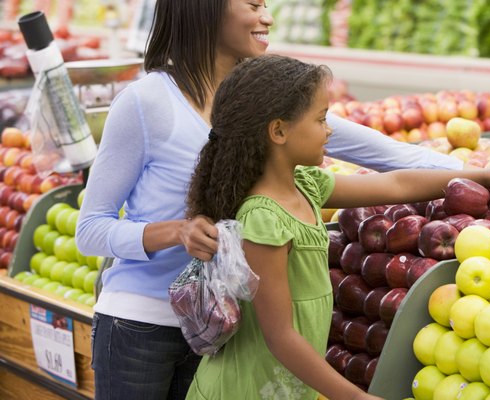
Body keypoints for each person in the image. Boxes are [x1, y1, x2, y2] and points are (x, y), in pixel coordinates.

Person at [75, 0, 465, 399]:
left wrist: (486, 175)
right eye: (253, 4)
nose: (268, 16)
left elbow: (394, 159)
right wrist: (176, 232)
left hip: (227, 334)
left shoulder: (265, 96)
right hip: (143, 327)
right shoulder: (146, 103)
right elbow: (90, 229)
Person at [182, 54, 490, 400]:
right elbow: (280, 337)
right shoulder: (263, 220)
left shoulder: (306, 184)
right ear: (279, 130)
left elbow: (397, 186)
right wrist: (356, 397)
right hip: (245, 390)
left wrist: (484, 175)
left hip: (283, 388)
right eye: (320, 119)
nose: (329, 130)